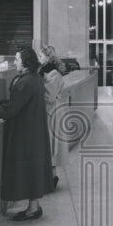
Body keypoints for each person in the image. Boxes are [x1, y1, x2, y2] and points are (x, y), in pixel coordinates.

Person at [0, 47, 53, 221]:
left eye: (16, 59)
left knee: (27, 167)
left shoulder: (25, 82)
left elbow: (12, 110)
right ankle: (34, 206)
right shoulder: (35, 78)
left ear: (25, 62)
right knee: (33, 167)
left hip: (25, 132)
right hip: (34, 129)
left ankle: (33, 209)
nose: (14, 62)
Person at [40, 44, 67, 188]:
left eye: (41, 56)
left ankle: (52, 177)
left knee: (52, 146)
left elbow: (49, 96)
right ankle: (50, 176)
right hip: (51, 111)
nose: (39, 59)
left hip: (52, 112)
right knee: (50, 145)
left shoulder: (52, 73)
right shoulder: (48, 71)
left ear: (48, 57)